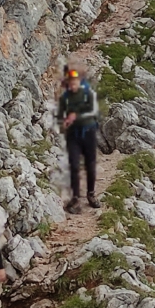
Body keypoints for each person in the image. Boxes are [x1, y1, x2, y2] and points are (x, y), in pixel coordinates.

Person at [57, 68, 100, 213]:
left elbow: (93, 111)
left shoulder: (88, 94)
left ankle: (91, 194)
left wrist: (75, 116)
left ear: (79, 82)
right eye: (71, 82)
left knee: (90, 164)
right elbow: (59, 115)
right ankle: (75, 197)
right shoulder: (65, 98)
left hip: (89, 132)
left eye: (75, 82)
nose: (73, 84)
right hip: (73, 135)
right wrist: (63, 123)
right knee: (74, 165)